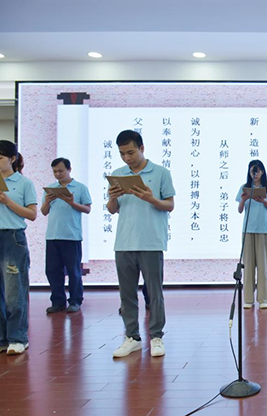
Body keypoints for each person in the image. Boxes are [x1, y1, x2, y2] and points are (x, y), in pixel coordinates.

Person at [108, 130, 175, 358]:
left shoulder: (161, 172)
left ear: (142, 148)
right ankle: (132, 337)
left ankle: (156, 336)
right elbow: (113, 209)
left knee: (154, 293)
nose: (127, 158)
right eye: (122, 154)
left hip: (151, 241)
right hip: (124, 242)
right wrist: (112, 196)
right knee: (126, 294)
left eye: (130, 152)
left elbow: (169, 205)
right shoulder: (118, 174)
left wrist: (151, 199)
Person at [0, 140, 37, 356]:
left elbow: (32, 214)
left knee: (14, 292)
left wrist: (7, 201)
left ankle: (18, 338)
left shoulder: (24, 183)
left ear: (12, 159)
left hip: (12, 237)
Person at [41, 158, 92, 314]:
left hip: (71, 236)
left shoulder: (80, 187)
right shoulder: (50, 188)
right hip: (53, 235)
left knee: (73, 271)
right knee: (52, 270)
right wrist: (47, 201)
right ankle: (58, 302)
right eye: (55, 171)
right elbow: (44, 211)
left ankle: (75, 301)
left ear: (69, 169)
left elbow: (87, 209)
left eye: (61, 171)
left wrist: (72, 202)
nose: (58, 174)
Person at [236, 160, 267, 309]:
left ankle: (263, 299)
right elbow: (240, 210)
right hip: (248, 230)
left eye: (257, 171)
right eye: (252, 171)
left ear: (262, 172)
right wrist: (243, 200)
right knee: (247, 266)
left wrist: (264, 202)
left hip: (264, 230)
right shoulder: (245, 188)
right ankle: (248, 299)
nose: (255, 174)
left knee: (263, 266)